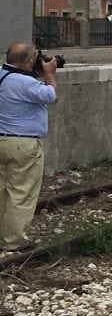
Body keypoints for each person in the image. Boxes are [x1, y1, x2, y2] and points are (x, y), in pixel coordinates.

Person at [0, 43, 59, 252]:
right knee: (21, 193)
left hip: (2, 140)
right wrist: (49, 74)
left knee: (2, 191)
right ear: (27, 62)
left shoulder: (3, 75)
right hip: (23, 144)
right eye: (35, 58)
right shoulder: (26, 83)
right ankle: (13, 241)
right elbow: (52, 96)